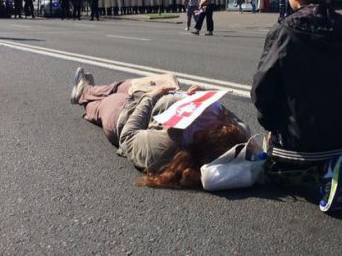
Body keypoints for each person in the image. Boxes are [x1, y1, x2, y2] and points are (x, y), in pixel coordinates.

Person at [251, 0, 342, 213]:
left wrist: (271, 125)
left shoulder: (284, 30)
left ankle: (325, 175)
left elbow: (262, 87)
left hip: (304, 136)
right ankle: (334, 163)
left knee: (274, 170)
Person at [69, 68, 250, 187]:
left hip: (125, 113)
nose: (220, 118)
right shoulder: (229, 131)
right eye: (221, 120)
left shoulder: (168, 146)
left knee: (102, 103)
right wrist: (203, 96)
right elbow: (242, 127)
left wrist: (151, 98)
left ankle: (83, 93)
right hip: (161, 96)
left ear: (200, 138)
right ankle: (90, 89)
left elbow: (128, 137)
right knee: (124, 85)